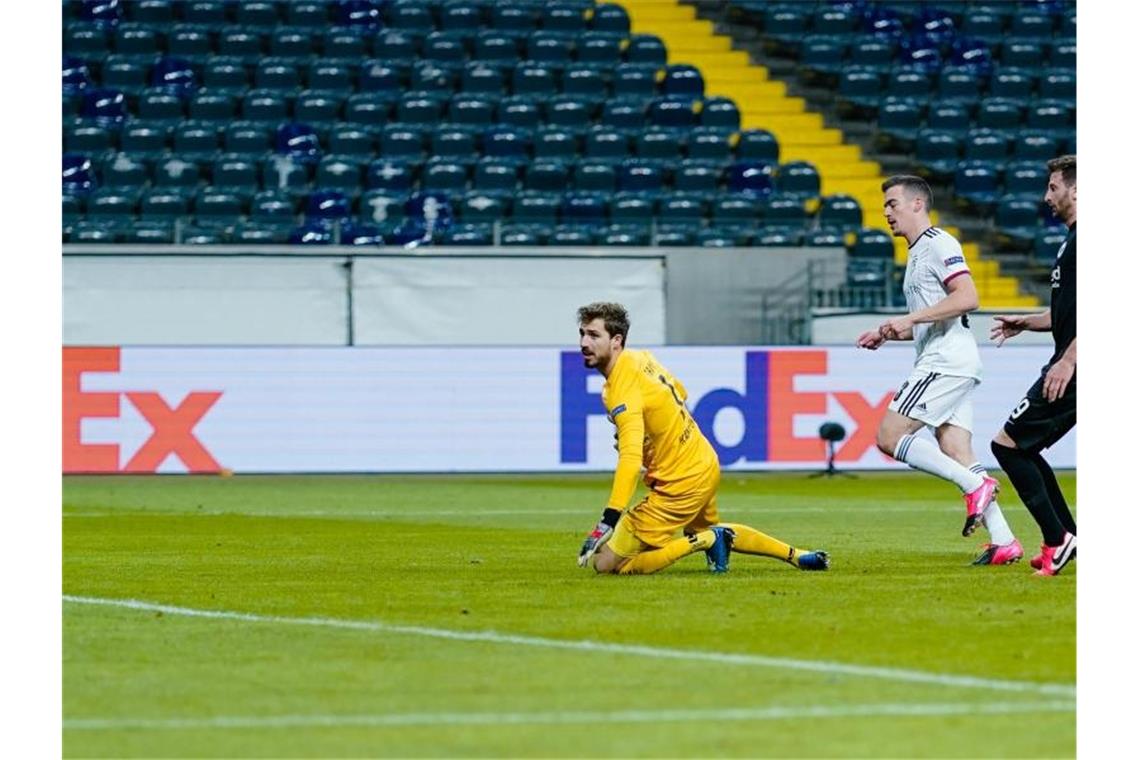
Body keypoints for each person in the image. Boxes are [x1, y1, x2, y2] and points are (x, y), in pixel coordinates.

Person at [574, 302, 830, 575]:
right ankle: (797, 555)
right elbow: (680, 393)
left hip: (679, 483)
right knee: (707, 527)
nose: (583, 343)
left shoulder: (621, 390)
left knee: (606, 564)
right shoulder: (640, 358)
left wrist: (609, 519)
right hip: (703, 462)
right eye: (582, 334)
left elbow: (630, 459)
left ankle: (706, 542)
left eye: (593, 335)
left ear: (616, 341)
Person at [856, 175, 1023, 565]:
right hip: (952, 359)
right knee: (955, 448)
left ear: (918, 204)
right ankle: (1004, 541)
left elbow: (968, 297)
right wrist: (888, 332)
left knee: (889, 435)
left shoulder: (938, 243)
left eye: (893, 204)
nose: (886, 213)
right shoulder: (916, 254)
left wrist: (910, 318)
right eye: (884, 207)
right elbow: (936, 316)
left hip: (946, 362)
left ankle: (975, 486)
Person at [989, 155, 1077, 577]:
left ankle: (1057, 540)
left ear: (1077, 190)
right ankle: (1067, 537)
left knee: (1006, 445)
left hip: (1076, 366)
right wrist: (1030, 322)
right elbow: (1070, 314)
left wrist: (1069, 360)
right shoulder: (1071, 241)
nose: (1046, 197)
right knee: (1023, 445)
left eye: (1054, 188)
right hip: (1072, 359)